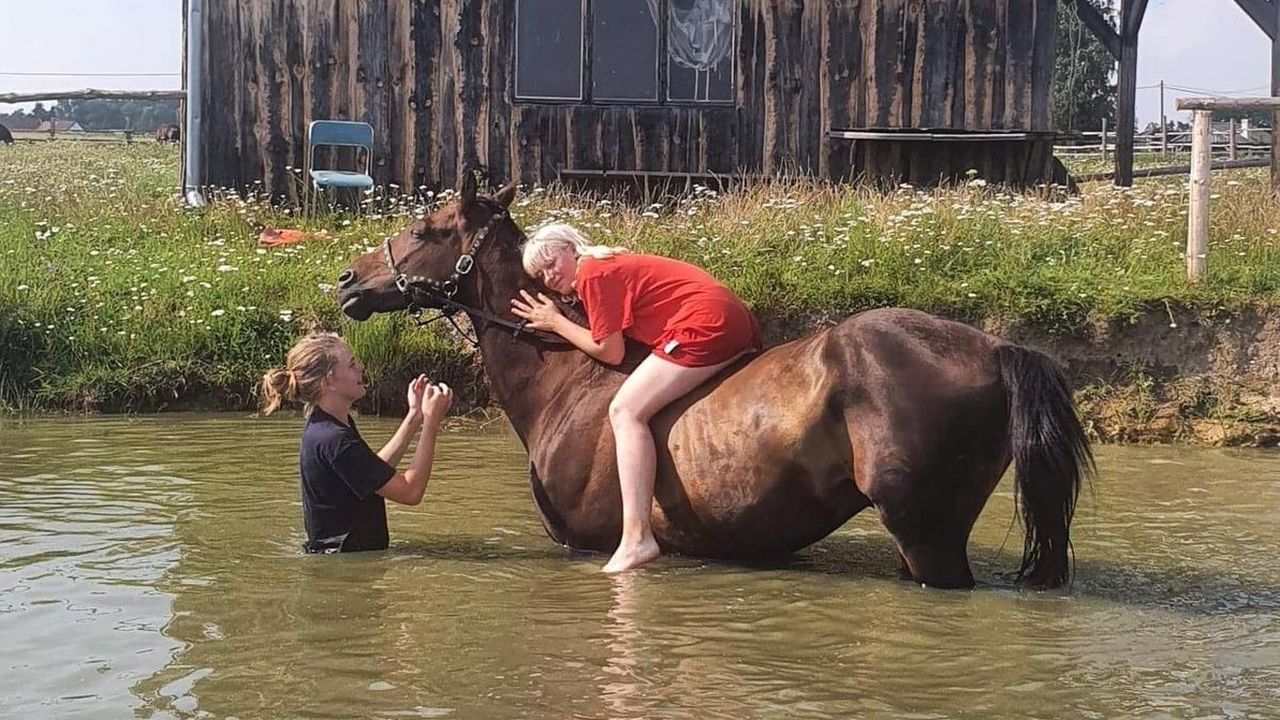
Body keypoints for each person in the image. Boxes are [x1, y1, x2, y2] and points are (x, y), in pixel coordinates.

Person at [511, 223, 760, 573]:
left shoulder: (593, 273)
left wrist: (554, 321)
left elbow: (609, 351)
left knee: (625, 410)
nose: (549, 276)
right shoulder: (605, 265)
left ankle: (637, 538)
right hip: (730, 317)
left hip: (705, 323)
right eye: (540, 274)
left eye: (551, 263)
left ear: (571, 248)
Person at [260, 332, 454, 553]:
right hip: (343, 572)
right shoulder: (335, 439)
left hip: (339, 564)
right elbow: (410, 492)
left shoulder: (327, 426)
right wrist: (431, 422)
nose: (360, 367)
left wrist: (415, 415)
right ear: (329, 381)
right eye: (352, 364)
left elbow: (370, 473)